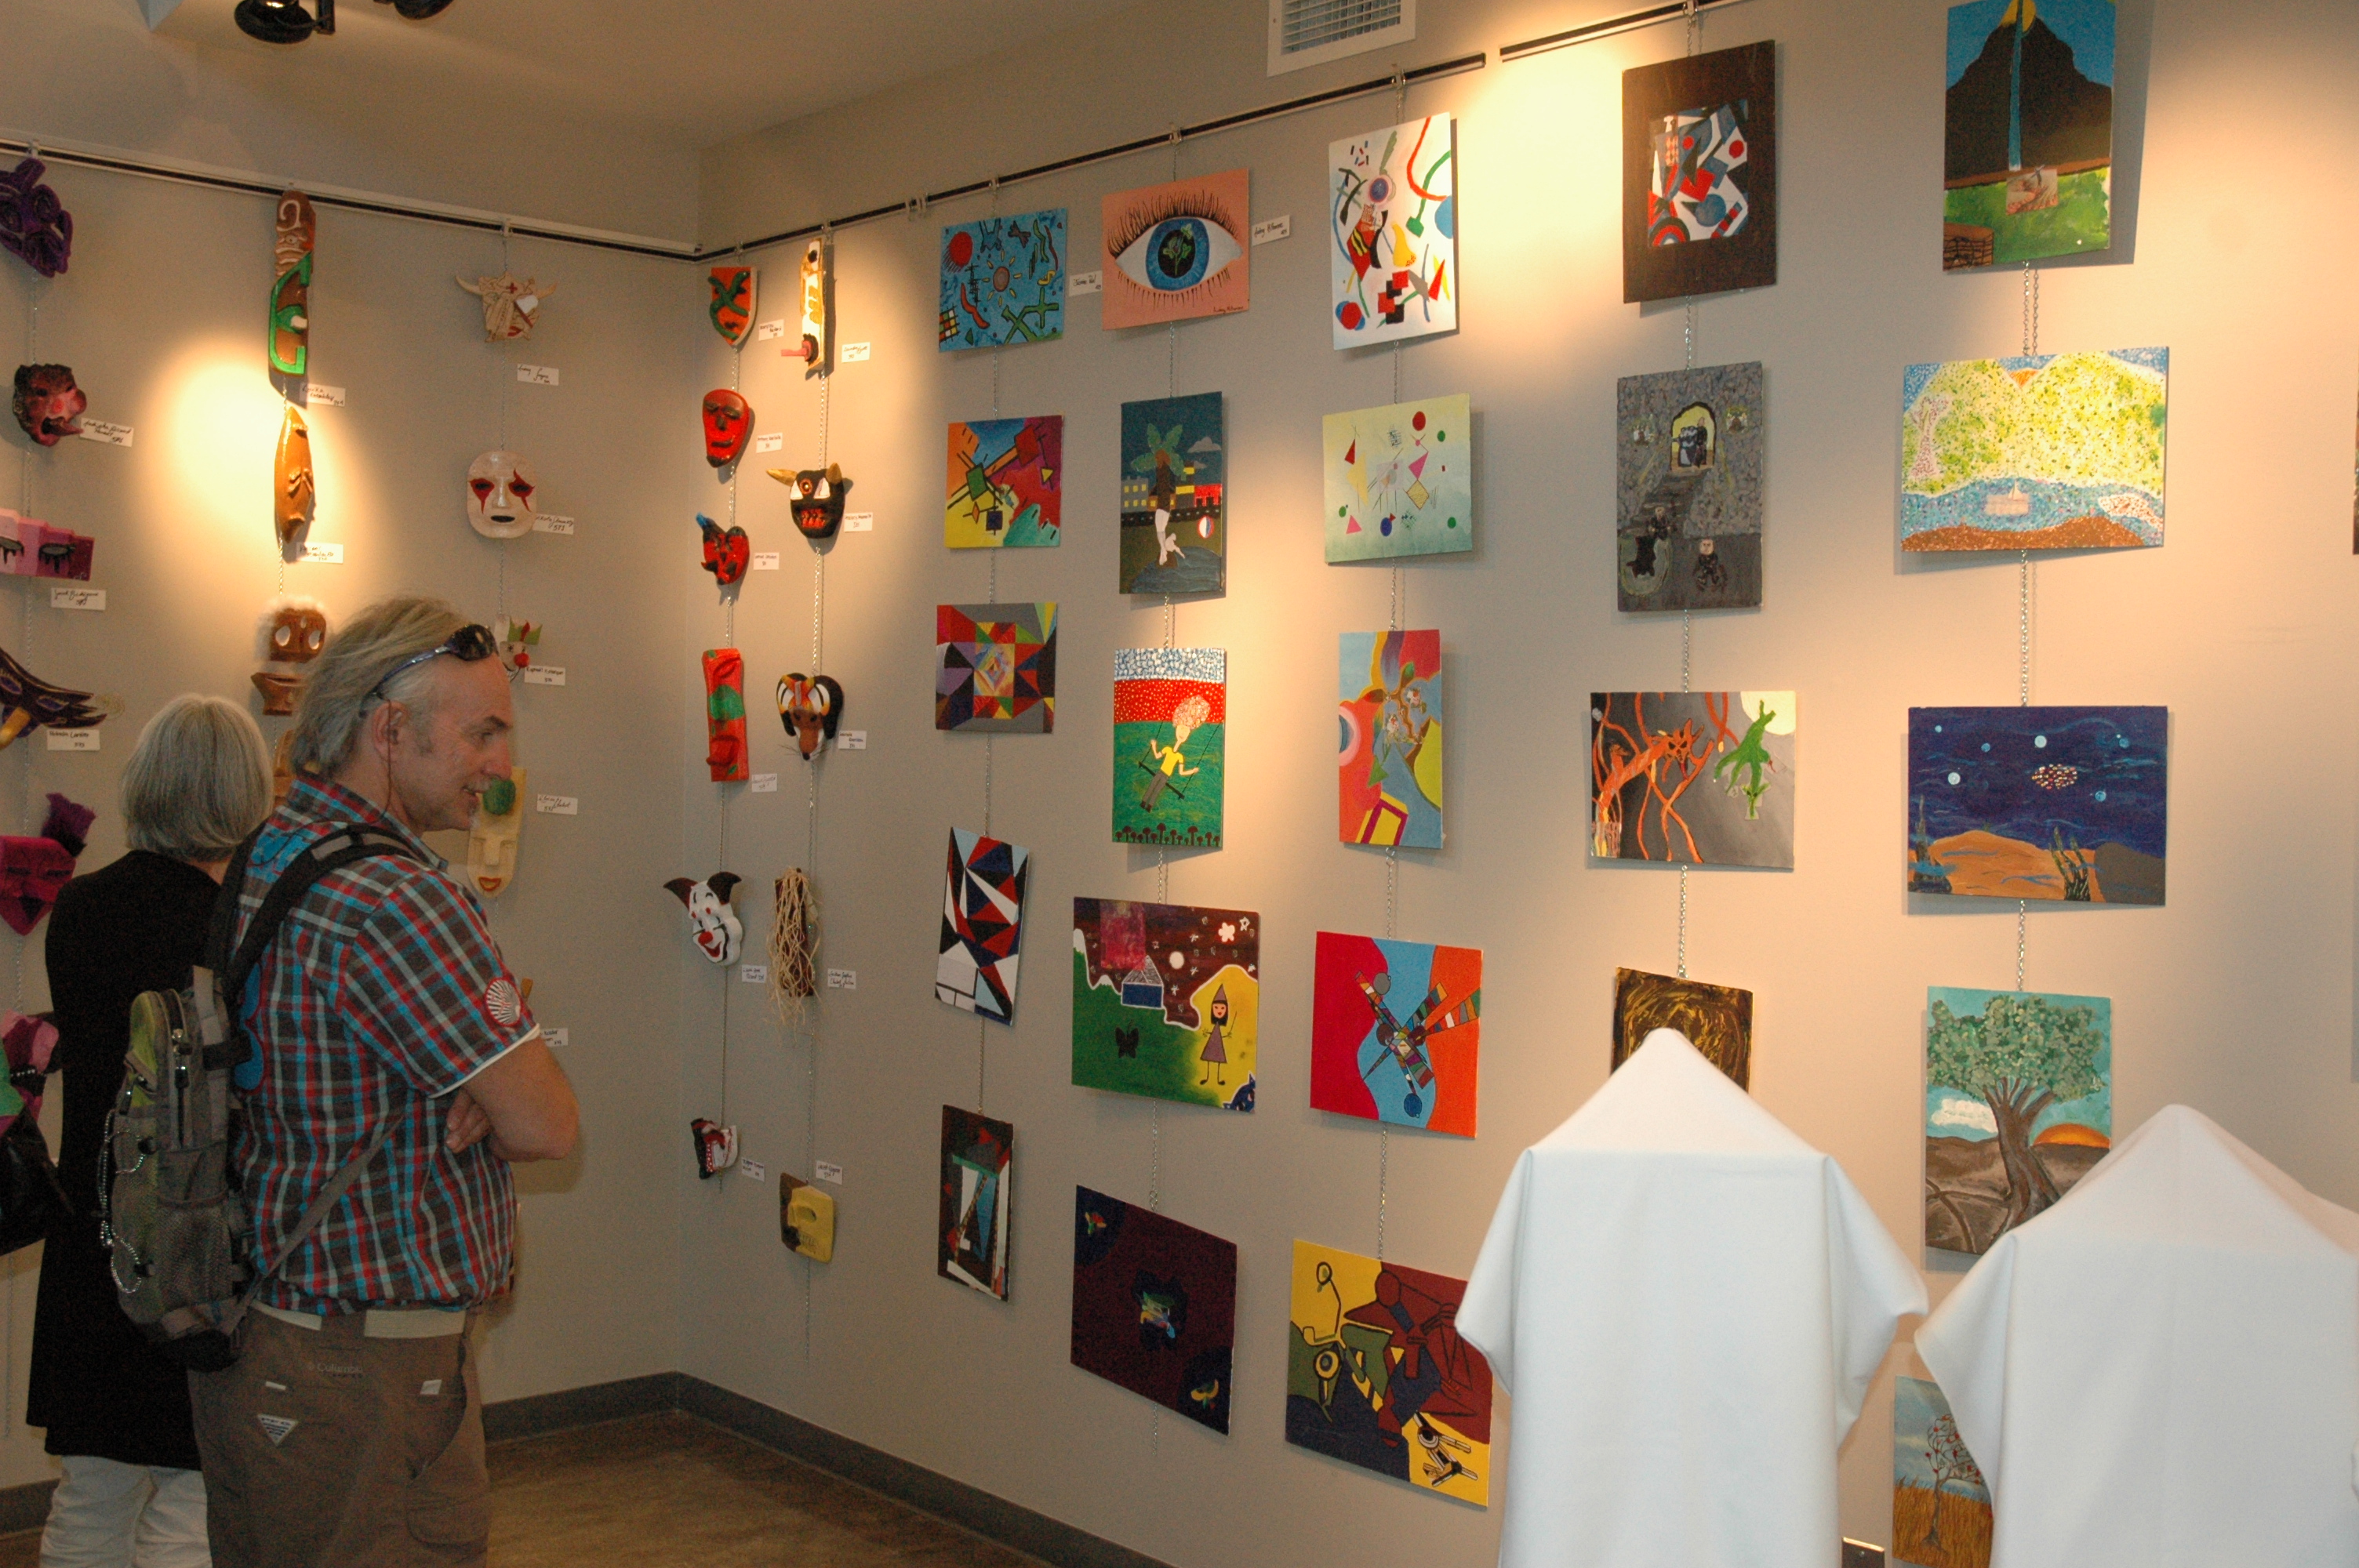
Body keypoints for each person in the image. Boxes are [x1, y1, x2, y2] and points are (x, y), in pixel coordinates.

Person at [186, 597, 577, 1568]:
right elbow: (546, 1122)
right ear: (390, 728)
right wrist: (484, 1088)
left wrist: (476, 1086)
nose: (501, 763)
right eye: (481, 732)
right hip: (364, 1371)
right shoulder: (401, 896)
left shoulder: (272, 851)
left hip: (267, 1334)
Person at [29, 694, 274, 1568]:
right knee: (191, 1491)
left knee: (89, 1490)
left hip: (95, 1230)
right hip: (195, 1239)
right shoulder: (237, 926)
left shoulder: (81, 906)